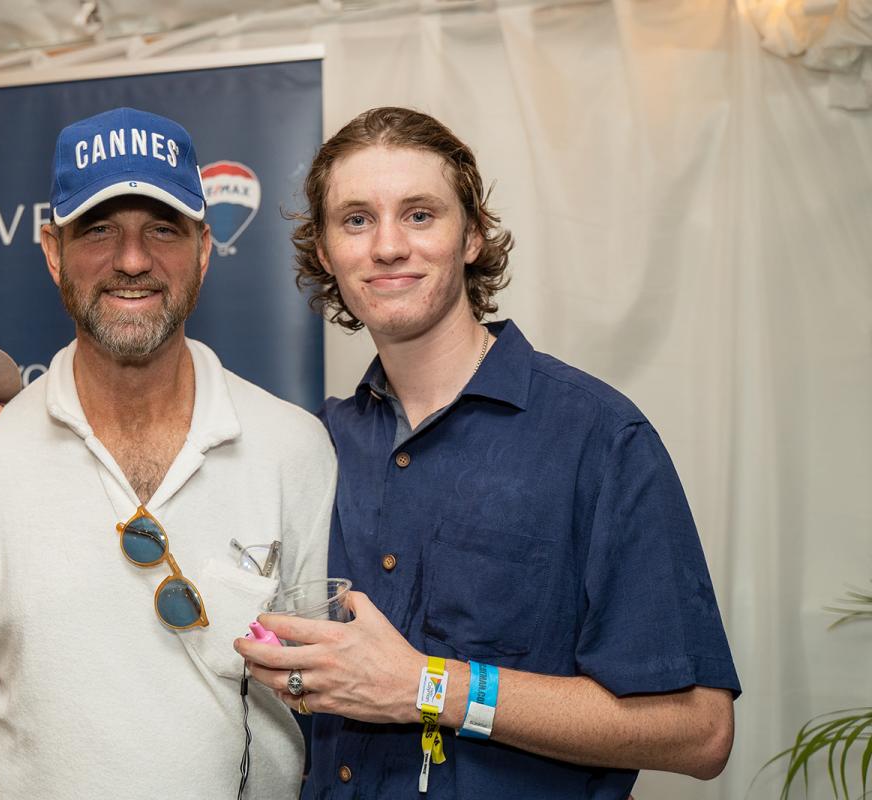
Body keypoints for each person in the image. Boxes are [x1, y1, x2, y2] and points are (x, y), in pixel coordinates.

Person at [233, 107, 740, 799]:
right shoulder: (314, 444)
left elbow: (699, 731)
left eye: (419, 215)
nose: (387, 246)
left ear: (471, 235)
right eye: (356, 220)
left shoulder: (596, 437)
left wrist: (426, 686)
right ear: (325, 252)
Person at [0, 107, 336, 799]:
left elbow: (331, 702)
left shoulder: (294, 448)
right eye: (98, 229)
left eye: (163, 228)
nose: (132, 260)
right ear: (52, 250)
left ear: (204, 249)